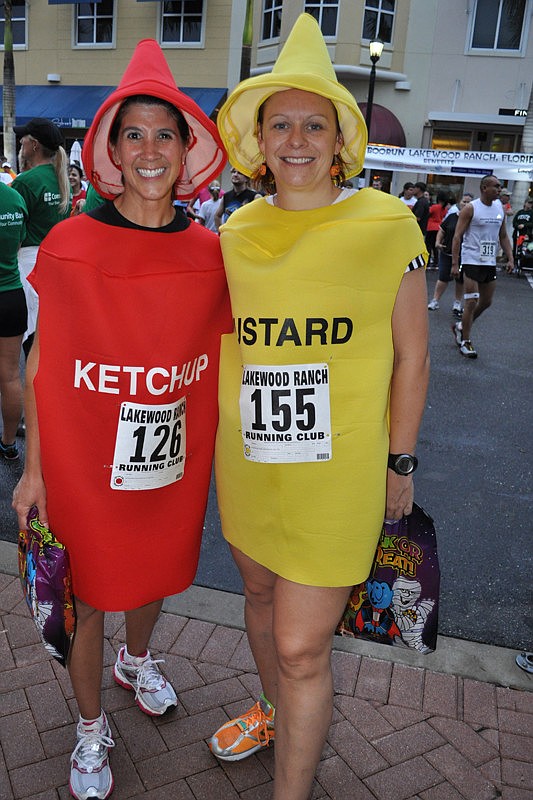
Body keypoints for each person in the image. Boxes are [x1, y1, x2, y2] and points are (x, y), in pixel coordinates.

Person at [208, 14, 430, 800]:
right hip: (250, 467)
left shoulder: (387, 224)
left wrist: (399, 462)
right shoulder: (234, 232)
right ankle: (272, 711)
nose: (295, 140)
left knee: (304, 645)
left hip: (338, 474)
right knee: (260, 600)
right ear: (259, 141)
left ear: (338, 140)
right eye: (280, 125)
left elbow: (413, 355)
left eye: (313, 125)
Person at [12, 38, 230, 800]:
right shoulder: (69, 244)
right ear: (110, 149)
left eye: (163, 133)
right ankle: (87, 728)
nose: (148, 148)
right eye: (131, 133)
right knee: (88, 590)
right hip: (79, 460)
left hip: (167, 461)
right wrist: (34, 470)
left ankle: (136, 662)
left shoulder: (212, 252)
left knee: (153, 573)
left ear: (185, 149)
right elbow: (41, 363)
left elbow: (231, 354)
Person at [11, 117, 70, 356]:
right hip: (57, 265)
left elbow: (12, 230)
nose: (20, 144)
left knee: (31, 344)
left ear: (34, 145)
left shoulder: (25, 182)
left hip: (28, 266)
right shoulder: (61, 178)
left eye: (23, 140)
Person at [451, 175, 513, 358]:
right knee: (471, 301)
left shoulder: (499, 208)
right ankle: (466, 341)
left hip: (489, 262)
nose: (499, 190)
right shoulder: (471, 208)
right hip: (471, 260)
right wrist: (455, 264)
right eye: (496, 186)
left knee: (486, 302)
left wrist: (510, 258)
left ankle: (461, 326)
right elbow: (457, 237)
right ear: (484, 188)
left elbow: (503, 236)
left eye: (500, 187)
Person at [0, 181, 28, 461]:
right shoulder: (14, 197)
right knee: (9, 375)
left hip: (9, 293)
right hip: (10, 295)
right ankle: (8, 443)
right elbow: (18, 243)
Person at [427, 193, 472, 315]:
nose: (466, 204)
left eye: (469, 202)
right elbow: (442, 230)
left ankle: (457, 303)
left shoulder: (473, 219)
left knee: (460, 279)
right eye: (464, 201)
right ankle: (435, 300)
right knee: (443, 277)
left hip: (464, 255)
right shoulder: (452, 217)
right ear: (459, 202)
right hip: (447, 253)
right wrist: (437, 242)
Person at [214, 167, 260, 231]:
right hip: (229, 236)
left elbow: (260, 219)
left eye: (239, 173)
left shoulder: (255, 197)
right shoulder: (226, 196)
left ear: (247, 179)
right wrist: (221, 232)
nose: (235, 175)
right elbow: (217, 216)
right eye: (234, 172)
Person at [425, 190, 450, 268]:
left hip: (430, 227)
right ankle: (436, 262)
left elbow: (428, 214)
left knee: (428, 245)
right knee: (435, 246)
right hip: (438, 228)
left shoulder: (434, 207)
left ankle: (428, 261)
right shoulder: (445, 209)